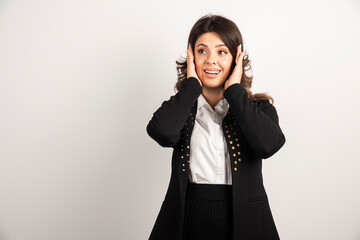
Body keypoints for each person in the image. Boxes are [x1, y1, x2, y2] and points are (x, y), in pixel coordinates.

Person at [146, 13, 286, 240]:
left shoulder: (258, 109)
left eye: (222, 52)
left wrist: (235, 91)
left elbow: (269, 145)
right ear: (191, 57)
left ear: (236, 59)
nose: (211, 60)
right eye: (202, 51)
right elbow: (161, 132)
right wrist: (192, 86)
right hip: (187, 220)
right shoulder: (182, 109)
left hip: (244, 220)